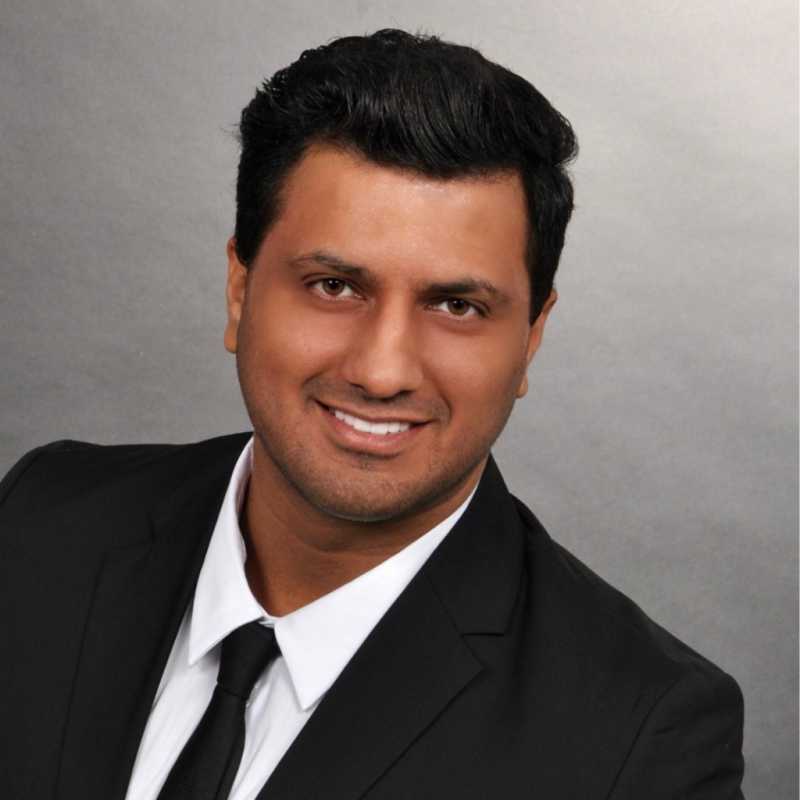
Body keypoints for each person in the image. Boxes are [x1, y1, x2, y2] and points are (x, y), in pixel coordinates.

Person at [0, 28, 744, 800]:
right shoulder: (40, 522)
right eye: (334, 286)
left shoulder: (641, 741)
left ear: (531, 338)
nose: (382, 371)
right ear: (239, 290)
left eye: (456, 305)